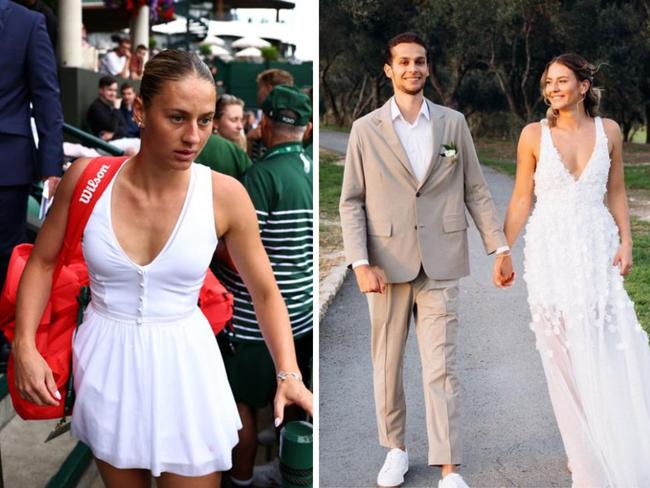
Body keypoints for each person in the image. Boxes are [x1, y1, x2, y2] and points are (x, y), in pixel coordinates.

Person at [12, 49, 312, 487]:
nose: (193, 136)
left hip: (186, 367)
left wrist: (289, 372)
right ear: (139, 111)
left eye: (205, 120)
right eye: (177, 117)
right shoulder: (86, 178)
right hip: (105, 362)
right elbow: (41, 261)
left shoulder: (224, 195)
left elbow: (266, 293)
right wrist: (24, 344)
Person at [339, 32, 513, 488]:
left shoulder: (453, 124)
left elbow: (475, 188)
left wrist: (499, 247)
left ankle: (449, 467)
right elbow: (351, 201)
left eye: (419, 61)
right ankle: (395, 449)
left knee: (441, 365)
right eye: (403, 62)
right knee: (388, 364)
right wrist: (359, 262)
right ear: (389, 69)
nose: (412, 68)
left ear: (428, 68)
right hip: (384, 266)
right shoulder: (364, 129)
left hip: (441, 262)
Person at [496, 53, 650, 486]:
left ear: (584, 86)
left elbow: (615, 192)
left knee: (604, 348)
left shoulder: (611, 131)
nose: (553, 88)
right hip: (549, 255)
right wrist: (503, 249)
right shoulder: (532, 135)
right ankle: (582, 451)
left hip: (596, 251)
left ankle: (612, 437)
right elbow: (522, 198)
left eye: (563, 81)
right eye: (548, 82)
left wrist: (627, 240)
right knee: (561, 355)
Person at [214, 85, 313, 488]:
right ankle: (288, 472)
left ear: (265, 124)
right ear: (306, 129)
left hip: (253, 322)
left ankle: (240, 482)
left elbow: (234, 254)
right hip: (300, 314)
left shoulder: (259, 177)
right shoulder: (308, 167)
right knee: (287, 399)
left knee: (240, 410)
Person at [247, 68, 294, 161]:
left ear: (269, 88)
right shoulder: (295, 116)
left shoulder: (273, 119)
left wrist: (247, 140)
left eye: (260, 88)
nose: (258, 93)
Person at [86, 76, 128, 142]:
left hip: (116, 141)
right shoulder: (96, 107)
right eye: (110, 90)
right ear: (101, 90)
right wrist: (116, 108)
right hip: (103, 146)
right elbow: (111, 127)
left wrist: (113, 134)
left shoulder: (112, 107)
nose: (113, 93)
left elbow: (125, 128)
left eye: (115, 90)